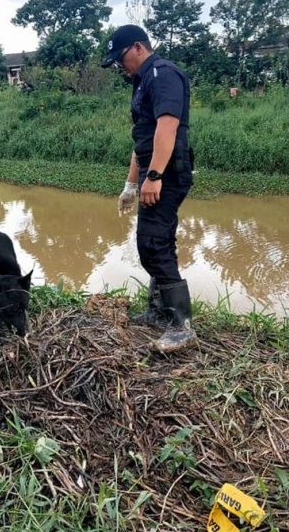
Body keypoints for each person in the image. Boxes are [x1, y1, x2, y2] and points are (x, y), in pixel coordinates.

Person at [101, 25, 197, 353]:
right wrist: (132, 184)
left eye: (121, 57)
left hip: (167, 173)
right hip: (153, 171)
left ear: (139, 47)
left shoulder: (162, 74)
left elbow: (167, 127)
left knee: (153, 243)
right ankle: (159, 311)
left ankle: (181, 325)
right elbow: (143, 138)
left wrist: (154, 175)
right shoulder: (144, 81)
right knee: (158, 240)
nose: (119, 66)